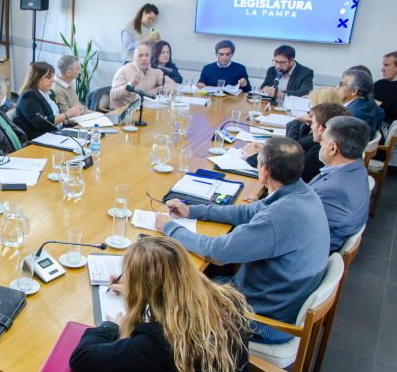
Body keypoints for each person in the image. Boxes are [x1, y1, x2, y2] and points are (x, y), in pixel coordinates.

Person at [69, 237, 274, 372]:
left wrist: (111, 326)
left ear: (147, 287)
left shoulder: (160, 342)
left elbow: (82, 359)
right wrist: (141, 289)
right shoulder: (225, 300)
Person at [155, 137, 330, 344]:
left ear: (264, 172)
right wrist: (192, 211)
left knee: (166, 290)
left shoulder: (279, 216)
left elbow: (217, 252)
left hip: (261, 319)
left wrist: (170, 228)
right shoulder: (301, 193)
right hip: (278, 300)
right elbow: (247, 211)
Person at [242, 102, 351, 183]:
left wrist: (254, 156)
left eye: (312, 123)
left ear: (321, 129)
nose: (311, 126)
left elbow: (285, 169)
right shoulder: (330, 145)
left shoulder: (320, 152)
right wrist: (269, 150)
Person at [309, 116, 371, 253]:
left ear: (333, 148)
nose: (319, 144)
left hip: (306, 255)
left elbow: (297, 226)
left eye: (323, 141)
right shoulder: (356, 169)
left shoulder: (336, 192)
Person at [13, 62, 82, 140]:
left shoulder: (49, 93)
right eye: (48, 78)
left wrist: (66, 121)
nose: (53, 80)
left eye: (52, 77)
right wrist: (66, 114)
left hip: (55, 133)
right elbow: (41, 123)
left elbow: (53, 116)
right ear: (37, 78)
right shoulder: (29, 96)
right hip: (38, 139)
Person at [109, 44, 175, 110]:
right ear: (133, 57)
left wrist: (157, 89)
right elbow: (113, 95)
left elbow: (173, 85)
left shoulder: (154, 71)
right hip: (124, 112)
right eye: (140, 56)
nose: (144, 59)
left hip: (145, 110)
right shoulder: (123, 71)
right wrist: (130, 85)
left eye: (147, 55)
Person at [338, 67, 384, 137]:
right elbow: (381, 112)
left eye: (341, 84)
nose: (337, 87)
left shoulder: (350, 114)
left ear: (354, 91)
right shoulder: (368, 100)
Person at [375, 51, 397, 125]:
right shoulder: (380, 83)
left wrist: (380, 104)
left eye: (386, 65)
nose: (382, 69)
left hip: (387, 124)